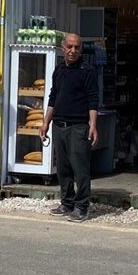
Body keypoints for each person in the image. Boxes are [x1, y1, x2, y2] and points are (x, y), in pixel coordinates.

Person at [39, 33, 99, 221]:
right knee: (63, 167)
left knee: (80, 167)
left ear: (81, 50)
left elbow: (93, 100)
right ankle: (67, 202)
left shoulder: (87, 70)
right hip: (58, 125)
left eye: (77, 48)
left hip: (78, 126)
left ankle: (82, 206)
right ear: (62, 48)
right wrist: (45, 122)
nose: (73, 51)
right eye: (70, 47)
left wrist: (93, 125)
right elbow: (53, 97)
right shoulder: (59, 70)